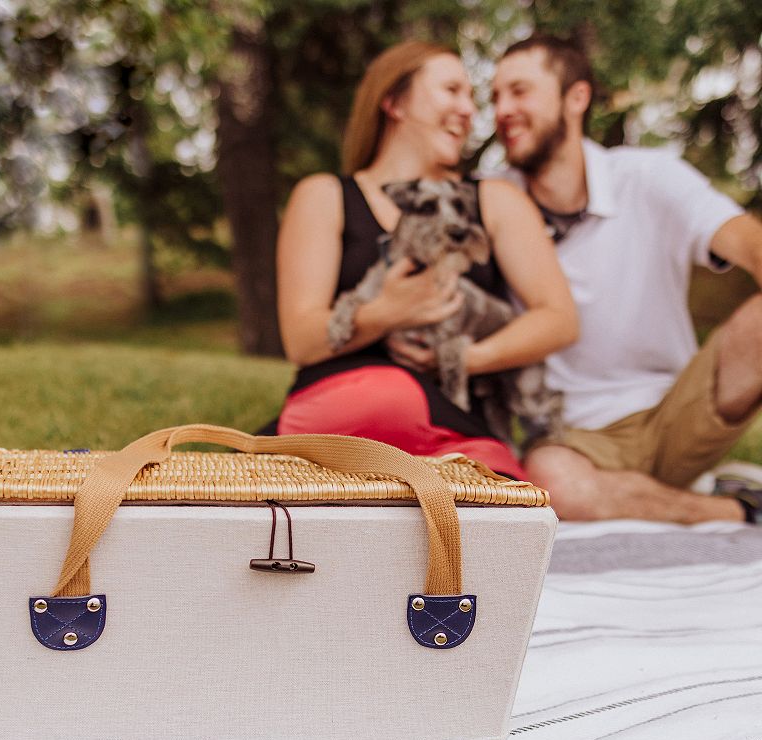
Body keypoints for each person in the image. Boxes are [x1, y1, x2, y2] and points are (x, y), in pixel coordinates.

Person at [275, 40, 578, 480]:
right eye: (452, 90)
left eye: (471, 98)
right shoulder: (325, 196)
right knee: (391, 398)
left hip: (456, 424)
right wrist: (385, 312)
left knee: (509, 508)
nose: (469, 110)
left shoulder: (494, 200)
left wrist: (466, 358)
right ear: (394, 103)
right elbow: (302, 340)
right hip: (351, 398)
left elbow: (559, 319)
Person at [490, 34, 762, 522]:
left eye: (519, 91)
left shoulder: (648, 176)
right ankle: (732, 508)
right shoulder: (491, 203)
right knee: (551, 481)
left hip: (678, 414)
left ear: (576, 98)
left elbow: (748, 243)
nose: (502, 109)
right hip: (573, 437)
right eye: (495, 97)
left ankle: (650, 495)